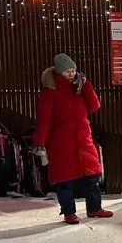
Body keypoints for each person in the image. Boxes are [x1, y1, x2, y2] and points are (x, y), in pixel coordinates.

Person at [32, 54, 112, 224]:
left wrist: (86, 86)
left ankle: (94, 208)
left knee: (92, 177)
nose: (71, 74)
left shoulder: (79, 88)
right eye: (67, 71)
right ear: (58, 72)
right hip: (61, 143)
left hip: (84, 140)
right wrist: (39, 143)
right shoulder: (49, 93)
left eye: (73, 70)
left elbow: (94, 106)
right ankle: (69, 212)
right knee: (64, 181)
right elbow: (43, 122)